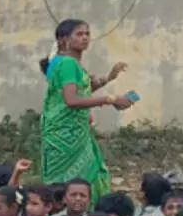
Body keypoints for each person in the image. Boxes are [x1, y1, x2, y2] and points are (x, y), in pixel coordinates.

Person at [39, 19, 131, 200]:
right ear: (64, 39)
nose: (85, 38)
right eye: (79, 34)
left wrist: (110, 78)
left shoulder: (66, 63)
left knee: (80, 177)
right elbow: (71, 100)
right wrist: (110, 99)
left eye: (87, 34)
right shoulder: (68, 64)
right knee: (74, 181)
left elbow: (82, 92)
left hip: (71, 131)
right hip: (65, 133)